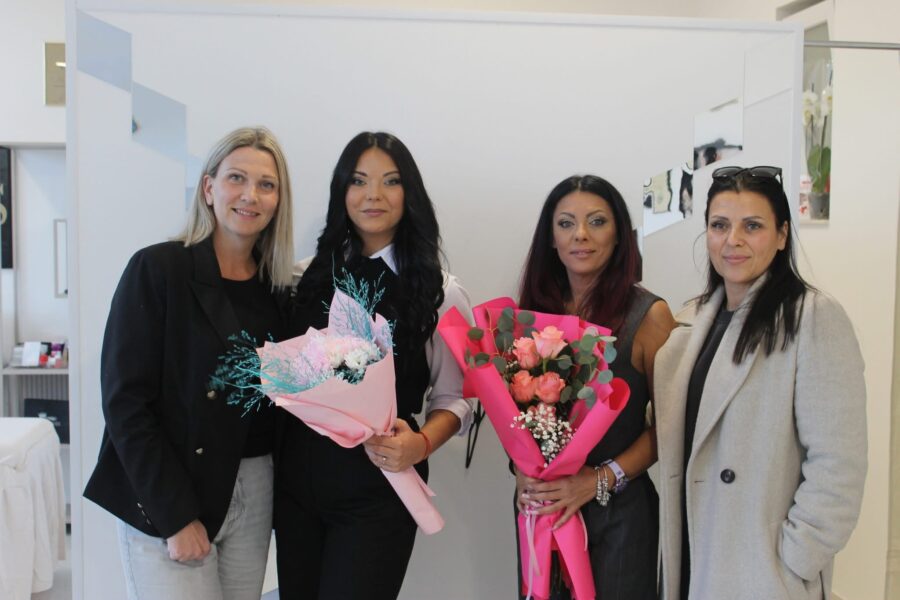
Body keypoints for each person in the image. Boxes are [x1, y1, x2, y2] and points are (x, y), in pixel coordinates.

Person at [83, 126, 295, 600]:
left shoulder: (279, 290)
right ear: (208, 187)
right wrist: (174, 515)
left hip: (255, 487)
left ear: (278, 200)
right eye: (237, 178)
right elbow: (125, 402)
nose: (250, 195)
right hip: (172, 484)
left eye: (266, 184)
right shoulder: (158, 270)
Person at [274, 131, 473, 600]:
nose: (373, 195)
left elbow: (457, 398)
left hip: (379, 489)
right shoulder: (302, 277)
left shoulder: (441, 291)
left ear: (410, 194)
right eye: (359, 181)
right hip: (296, 488)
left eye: (391, 181)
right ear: (342, 191)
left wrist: (421, 444)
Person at [654, 166, 867, 600]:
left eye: (752, 226)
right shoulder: (694, 321)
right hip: (695, 553)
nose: (732, 240)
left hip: (759, 570)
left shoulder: (812, 317)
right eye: (719, 225)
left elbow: (838, 465)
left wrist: (794, 559)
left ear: (782, 234)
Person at [515, 174, 676, 599]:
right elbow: (517, 415)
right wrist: (523, 472)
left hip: (619, 514)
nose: (580, 235)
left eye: (597, 221)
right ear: (551, 238)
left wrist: (599, 480)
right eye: (566, 223)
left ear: (620, 235)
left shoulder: (650, 316)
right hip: (544, 510)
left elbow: (671, 427)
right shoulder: (532, 314)